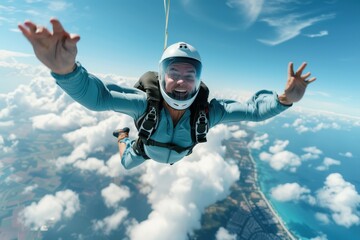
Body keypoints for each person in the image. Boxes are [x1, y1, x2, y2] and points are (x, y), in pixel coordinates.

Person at [18, 18, 316, 170]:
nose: (182, 82)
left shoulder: (208, 114)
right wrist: (67, 72)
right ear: (162, 75)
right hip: (144, 151)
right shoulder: (143, 105)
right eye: (174, 72)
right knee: (125, 162)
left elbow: (252, 111)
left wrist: (284, 99)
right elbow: (100, 97)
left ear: (199, 80)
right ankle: (123, 136)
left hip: (169, 153)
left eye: (190, 75)